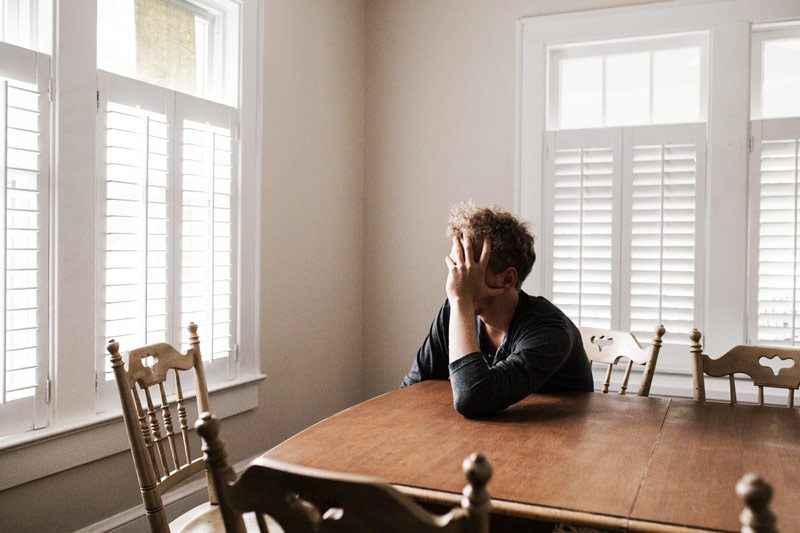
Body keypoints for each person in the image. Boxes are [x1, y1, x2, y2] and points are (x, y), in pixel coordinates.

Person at [402, 202, 593, 417]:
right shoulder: (455, 310)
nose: (455, 280)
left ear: (507, 279)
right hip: (485, 437)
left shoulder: (550, 330)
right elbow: (412, 389)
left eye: (467, 268)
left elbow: (472, 399)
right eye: (455, 266)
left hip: (559, 441)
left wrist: (462, 301)